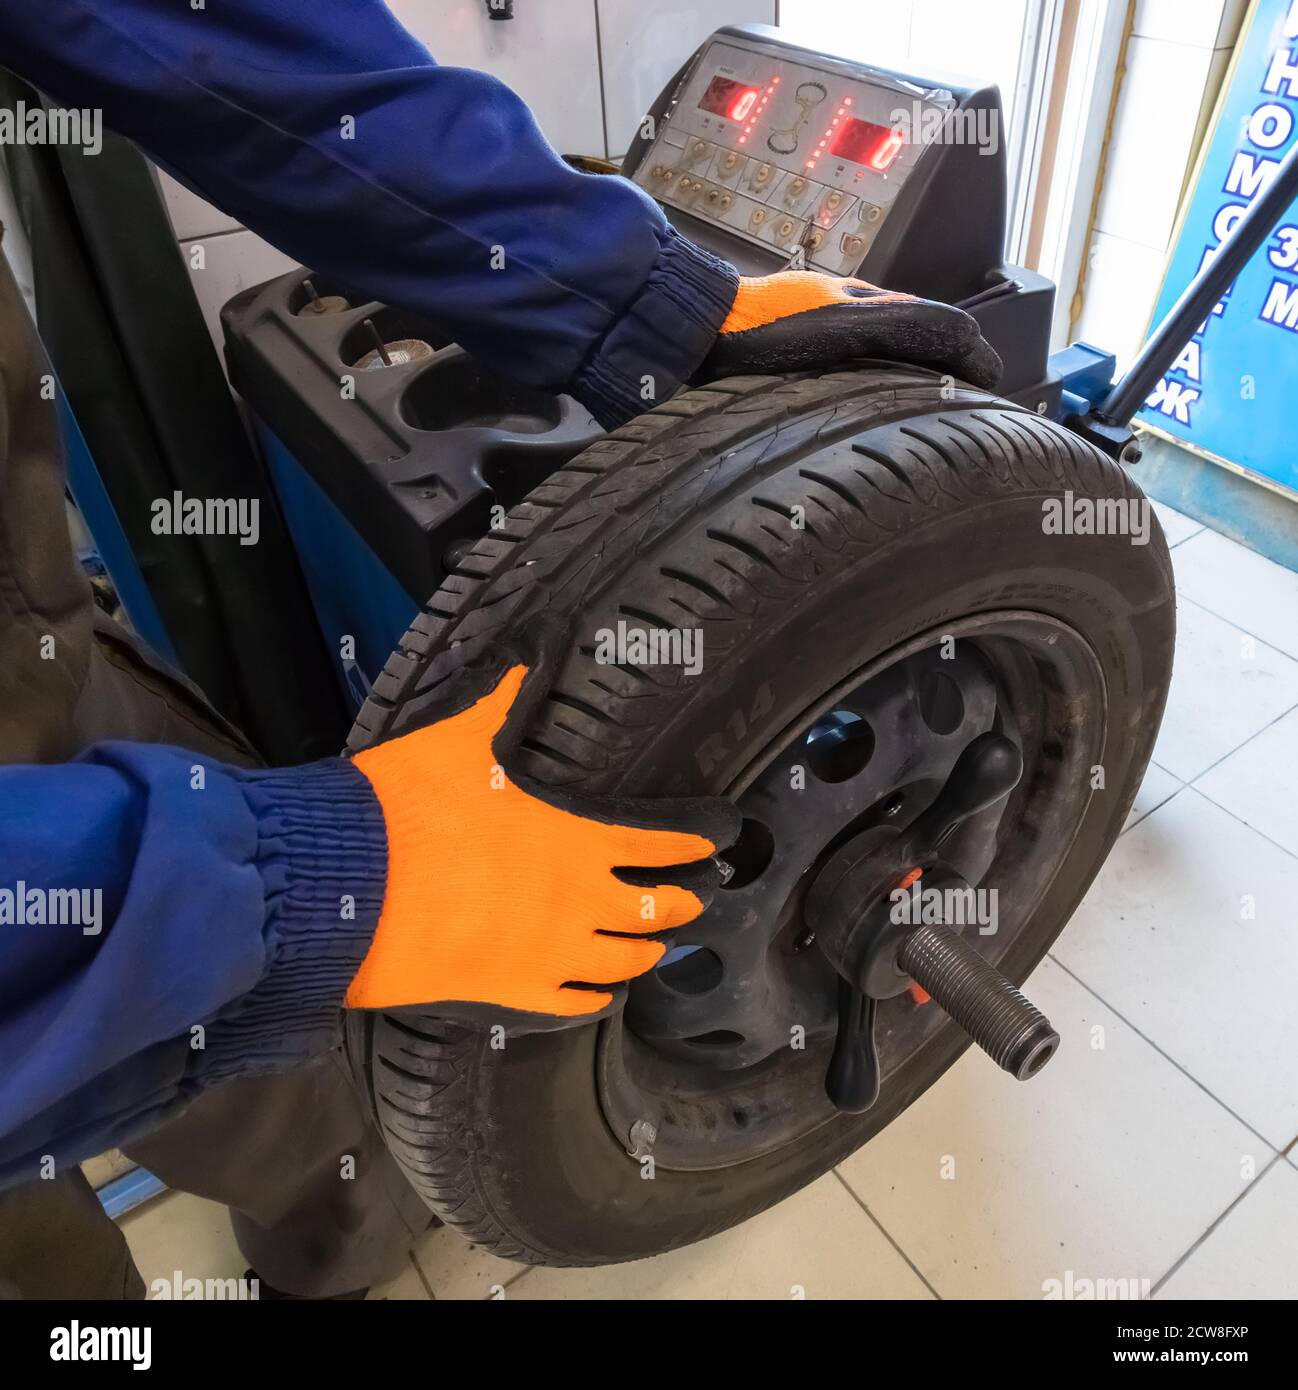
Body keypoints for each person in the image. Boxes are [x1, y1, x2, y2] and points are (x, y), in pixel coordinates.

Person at [0, 1, 1000, 1298]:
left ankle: (336, 1256)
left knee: (303, 1090)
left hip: (34, 662)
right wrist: (313, 882)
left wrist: (644, 303)